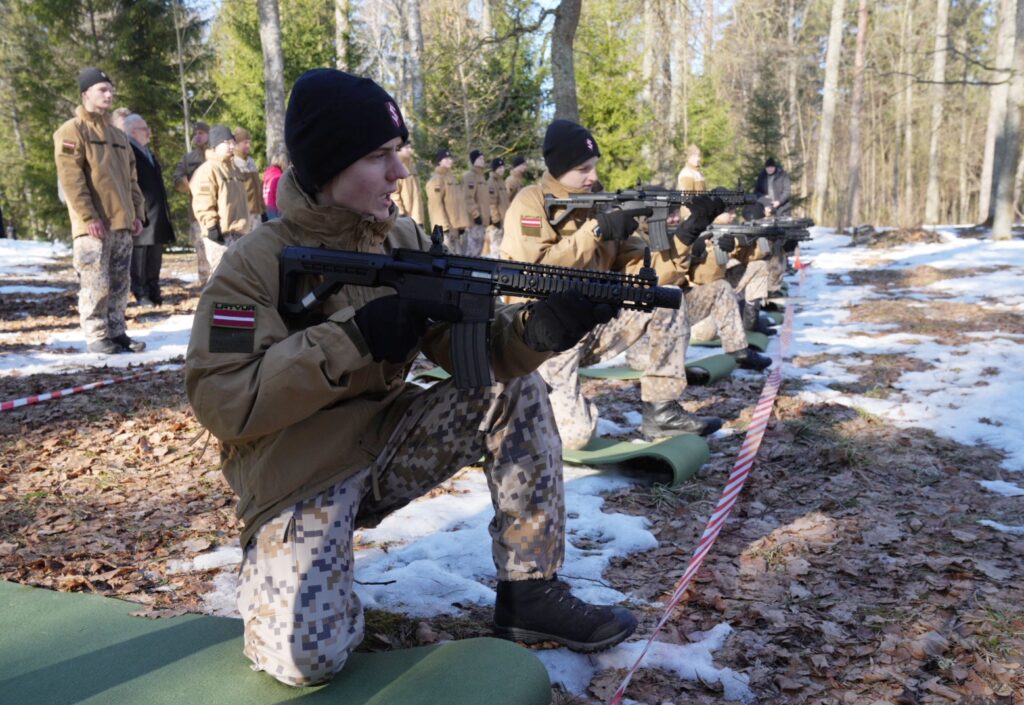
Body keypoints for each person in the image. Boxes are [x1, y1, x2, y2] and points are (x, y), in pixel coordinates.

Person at [184, 68, 638, 687]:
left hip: (388, 446)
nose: (400, 173)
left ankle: (531, 592)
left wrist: (542, 329)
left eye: (397, 153)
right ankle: (279, 569)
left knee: (513, 389)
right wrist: (353, 339)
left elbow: (474, 353)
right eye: (379, 156)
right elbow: (222, 401)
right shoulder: (252, 267)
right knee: (304, 662)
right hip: (298, 476)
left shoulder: (400, 237)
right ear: (327, 166)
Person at [501, 119, 723, 450]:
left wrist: (689, 232)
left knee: (667, 299)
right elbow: (531, 277)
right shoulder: (531, 202)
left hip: (593, 328)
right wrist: (595, 232)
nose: (593, 176)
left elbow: (649, 276)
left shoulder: (603, 204)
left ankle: (661, 410)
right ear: (559, 169)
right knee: (575, 437)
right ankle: (518, 406)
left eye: (594, 167)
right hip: (542, 336)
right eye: (582, 169)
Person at [53, 67, 146, 354]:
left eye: (110, 89)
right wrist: (88, 216)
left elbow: (132, 179)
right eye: (101, 90)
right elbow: (71, 179)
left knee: (120, 282)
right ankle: (96, 334)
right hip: (93, 226)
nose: (109, 94)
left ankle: (117, 331)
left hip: (122, 223)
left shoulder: (118, 135)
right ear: (85, 95)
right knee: (96, 282)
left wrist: (137, 214)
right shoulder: (72, 131)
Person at [124, 113, 175, 307]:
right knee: (139, 257)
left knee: (154, 256)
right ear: (133, 131)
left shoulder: (147, 152)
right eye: (145, 129)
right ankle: (140, 292)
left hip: (156, 212)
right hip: (140, 212)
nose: (149, 132)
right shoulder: (129, 151)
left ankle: (154, 290)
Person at [189, 125, 249, 280]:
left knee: (238, 278)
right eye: (226, 142)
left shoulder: (234, 169)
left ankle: (233, 304)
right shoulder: (208, 169)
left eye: (232, 142)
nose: (231, 146)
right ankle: (214, 304)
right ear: (215, 145)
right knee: (221, 278)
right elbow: (202, 199)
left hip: (239, 232)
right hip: (220, 235)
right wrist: (211, 226)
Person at [173, 121, 211, 286]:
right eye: (196, 133)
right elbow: (177, 180)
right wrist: (192, 184)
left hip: (220, 212)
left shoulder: (216, 154)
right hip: (197, 212)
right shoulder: (189, 158)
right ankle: (205, 285)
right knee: (202, 253)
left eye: (201, 133)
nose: (198, 136)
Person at [426, 147, 470, 254]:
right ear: (439, 162)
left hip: (455, 228)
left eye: (450, 158)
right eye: (446, 159)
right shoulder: (437, 179)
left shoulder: (452, 178)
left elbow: (458, 203)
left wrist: (461, 226)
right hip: (445, 229)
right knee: (447, 257)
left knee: (458, 258)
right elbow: (436, 205)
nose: (449, 161)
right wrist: (443, 227)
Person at [233, 127, 265, 231]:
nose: (248, 146)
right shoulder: (233, 162)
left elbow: (258, 187)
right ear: (236, 144)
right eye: (245, 143)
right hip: (242, 215)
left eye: (249, 142)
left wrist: (263, 209)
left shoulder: (251, 161)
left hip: (256, 213)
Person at [462, 149, 489, 256]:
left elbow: (485, 200)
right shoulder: (470, 176)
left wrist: (488, 216)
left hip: (482, 221)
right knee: (472, 252)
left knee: (479, 251)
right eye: (480, 158)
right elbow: (467, 198)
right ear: (474, 161)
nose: (483, 160)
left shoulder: (481, 177)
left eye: (483, 158)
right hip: (475, 221)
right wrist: (475, 214)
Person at [391, 141, 423, 225]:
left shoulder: (412, 167)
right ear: (398, 150)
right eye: (407, 148)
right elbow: (394, 193)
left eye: (410, 147)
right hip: (405, 219)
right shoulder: (395, 166)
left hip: (417, 217)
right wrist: (401, 213)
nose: (410, 150)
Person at [485, 157, 510, 256]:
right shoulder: (491, 182)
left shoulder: (501, 182)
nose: (502, 169)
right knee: (496, 249)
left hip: (504, 221)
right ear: (494, 169)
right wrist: (496, 220)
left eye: (503, 167)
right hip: (496, 223)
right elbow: (492, 203)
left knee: (502, 249)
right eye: (499, 167)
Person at [262, 152, 288, 220]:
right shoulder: (279, 176)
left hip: (266, 206)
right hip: (275, 208)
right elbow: (279, 196)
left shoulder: (268, 174)